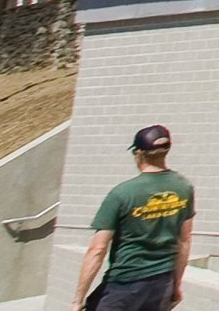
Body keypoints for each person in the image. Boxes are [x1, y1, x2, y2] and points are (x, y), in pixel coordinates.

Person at [76, 125, 194, 311]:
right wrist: (176, 285)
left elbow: (97, 250)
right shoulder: (183, 187)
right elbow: (185, 240)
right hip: (162, 281)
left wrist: (78, 300)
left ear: (138, 154)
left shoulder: (122, 194)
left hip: (124, 284)